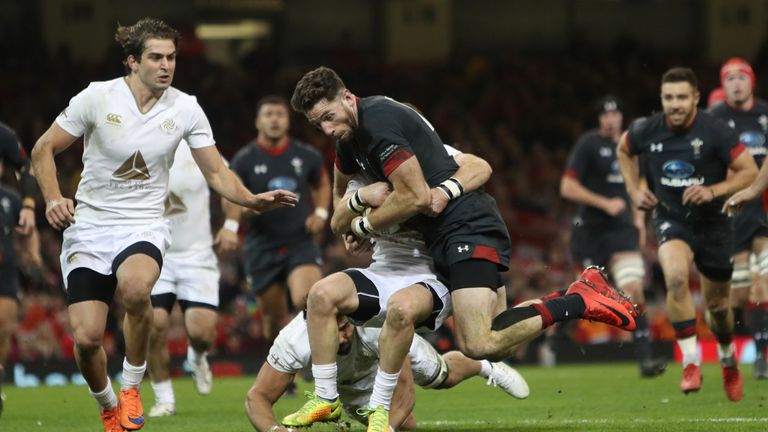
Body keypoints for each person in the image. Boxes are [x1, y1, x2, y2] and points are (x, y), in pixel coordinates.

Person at [287, 66, 638, 431]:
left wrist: (366, 222)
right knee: (495, 340)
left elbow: (428, 190)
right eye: (318, 125)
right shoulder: (351, 142)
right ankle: (327, 399)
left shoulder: (383, 125)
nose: (326, 130)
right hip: (443, 239)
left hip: (466, 226)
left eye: (328, 118)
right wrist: (359, 200)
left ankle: (578, 299)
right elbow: (337, 215)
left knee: (480, 341)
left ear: (346, 98)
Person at [30, 18, 296, 432]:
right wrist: (51, 198)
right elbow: (43, 148)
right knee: (86, 340)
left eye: (171, 57)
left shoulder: (186, 107)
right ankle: (107, 405)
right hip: (91, 226)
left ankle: (132, 386)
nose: (166, 65)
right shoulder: (97, 98)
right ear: (132, 62)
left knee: (137, 290)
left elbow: (216, 173)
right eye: (156, 57)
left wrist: (249, 200)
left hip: (144, 224)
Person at [616, 67, 757, 401]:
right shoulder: (646, 129)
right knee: (676, 278)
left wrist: (713, 190)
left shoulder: (717, 131)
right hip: (671, 218)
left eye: (681, 97)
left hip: (714, 222)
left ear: (695, 98)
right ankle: (691, 361)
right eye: (668, 98)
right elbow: (624, 150)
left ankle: (727, 358)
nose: (675, 104)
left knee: (719, 309)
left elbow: (749, 171)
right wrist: (634, 190)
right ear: (661, 99)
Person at [246, 314, 529, 432]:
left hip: (387, 353)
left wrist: (385, 428)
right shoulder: (293, 341)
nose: (343, 336)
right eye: (335, 331)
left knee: (442, 377)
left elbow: (405, 395)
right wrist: (275, 431)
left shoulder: (373, 324)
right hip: (348, 381)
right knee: (408, 427)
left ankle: (485, 366)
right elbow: (257, 397)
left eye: (346, 326)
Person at [561, 96, 666, 377]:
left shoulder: (633, 149)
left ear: (622, 117)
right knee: (580, 298)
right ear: (599, 120)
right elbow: (567, 187)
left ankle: (645, 359)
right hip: (589, 233)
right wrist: (604, 203)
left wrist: (639, 222)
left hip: (621, 232)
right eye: (604, 115)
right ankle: (553, 341)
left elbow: (639, 188)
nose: (610, 119)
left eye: (615, 113)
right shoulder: (588, 144)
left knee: (634, 289)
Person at [216, 95, 330, 341]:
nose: (275, 120)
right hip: (262, 247)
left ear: (288, 121)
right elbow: (231, 200)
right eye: (268, 114)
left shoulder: (307, 156)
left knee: (309, 300)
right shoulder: (244, 160)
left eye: (280, 115)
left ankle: (317, 365)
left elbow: (322, 183)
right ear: (258, 122)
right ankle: (283, 373)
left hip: (300, 242)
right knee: (273, 318)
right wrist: (243, 217)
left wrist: (320, 213)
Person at [146, 143, 221, 417]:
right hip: (155, 252)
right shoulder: (139, 144)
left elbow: (227, 182)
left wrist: (233, 226)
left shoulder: (200, 149)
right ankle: (164, 399)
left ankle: (198, 355)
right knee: (154, 326)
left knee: (201, 334)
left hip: (197, 255)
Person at [708, 58, 768, 379]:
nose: (735, 83)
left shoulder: (765, 114)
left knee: (764, 284)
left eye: (741, 77)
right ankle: (725, 345)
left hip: (763, 210)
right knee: (739, 293)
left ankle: (761, 356)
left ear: (751, 81)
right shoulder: (714, 118)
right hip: (730, 212)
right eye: (728, 78)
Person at [0, 121, 40, 416]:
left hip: (4, 263)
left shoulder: (4, 135)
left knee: (4, 323)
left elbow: (27, 166)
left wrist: (28, 205)